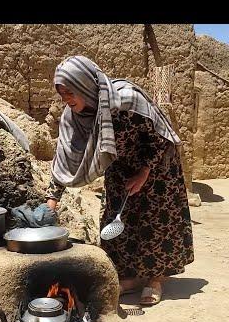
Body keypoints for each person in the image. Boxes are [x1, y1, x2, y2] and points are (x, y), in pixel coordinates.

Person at [45, 56, 194, 306]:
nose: (66, 101)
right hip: (119, 167)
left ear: (83, 85)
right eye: (62, 95)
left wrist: (144, 172)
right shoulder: (74, 117)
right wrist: (52, 199)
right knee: (116, 221)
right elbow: (65, 158)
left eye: (70, 93)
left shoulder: (127, 101)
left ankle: (155, 279)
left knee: (155, 221)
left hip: (156, 166)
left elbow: (159, 137)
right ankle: (132, 277)